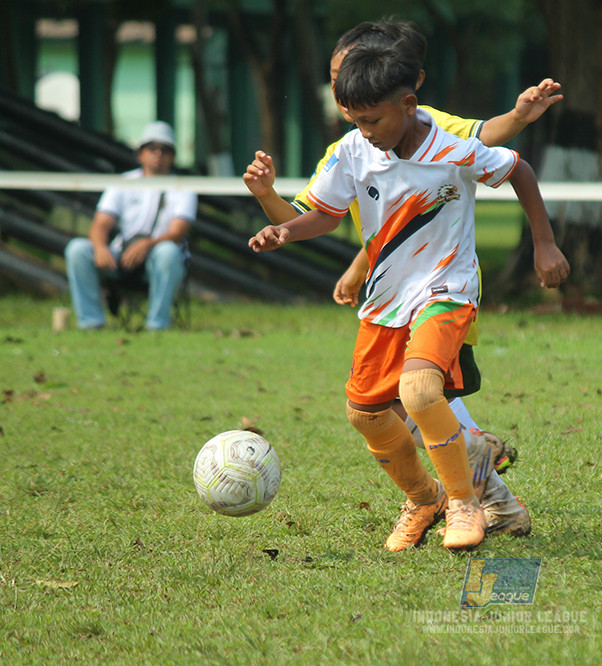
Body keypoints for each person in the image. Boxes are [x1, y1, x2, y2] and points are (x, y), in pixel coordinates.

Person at [244, 20, 562, 542]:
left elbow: (513, 164)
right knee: (366, 413)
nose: (360, 124)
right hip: (386, 298)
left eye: (368, 115)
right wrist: (279, 225)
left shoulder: (447, 143)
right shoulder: (352, 148)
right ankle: (428, 496)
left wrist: (545, 244)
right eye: (349, 109)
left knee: (417, 391)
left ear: (407, 101)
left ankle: (464, 503)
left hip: (446, 291)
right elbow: (326, 214)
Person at [64, 121, 196, 331]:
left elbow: (177, 232)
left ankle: (157, 325)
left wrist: (147, 245)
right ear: (140, 154)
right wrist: (99, 247)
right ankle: (91, 323)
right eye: (152, 148)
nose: (158, 154)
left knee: (168, 252)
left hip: (158, 259)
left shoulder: (183, 187)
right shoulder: (123, 182)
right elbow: (101, 223)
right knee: (78, 249)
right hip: (121, 256)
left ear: (173, 155)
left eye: (165, 149)